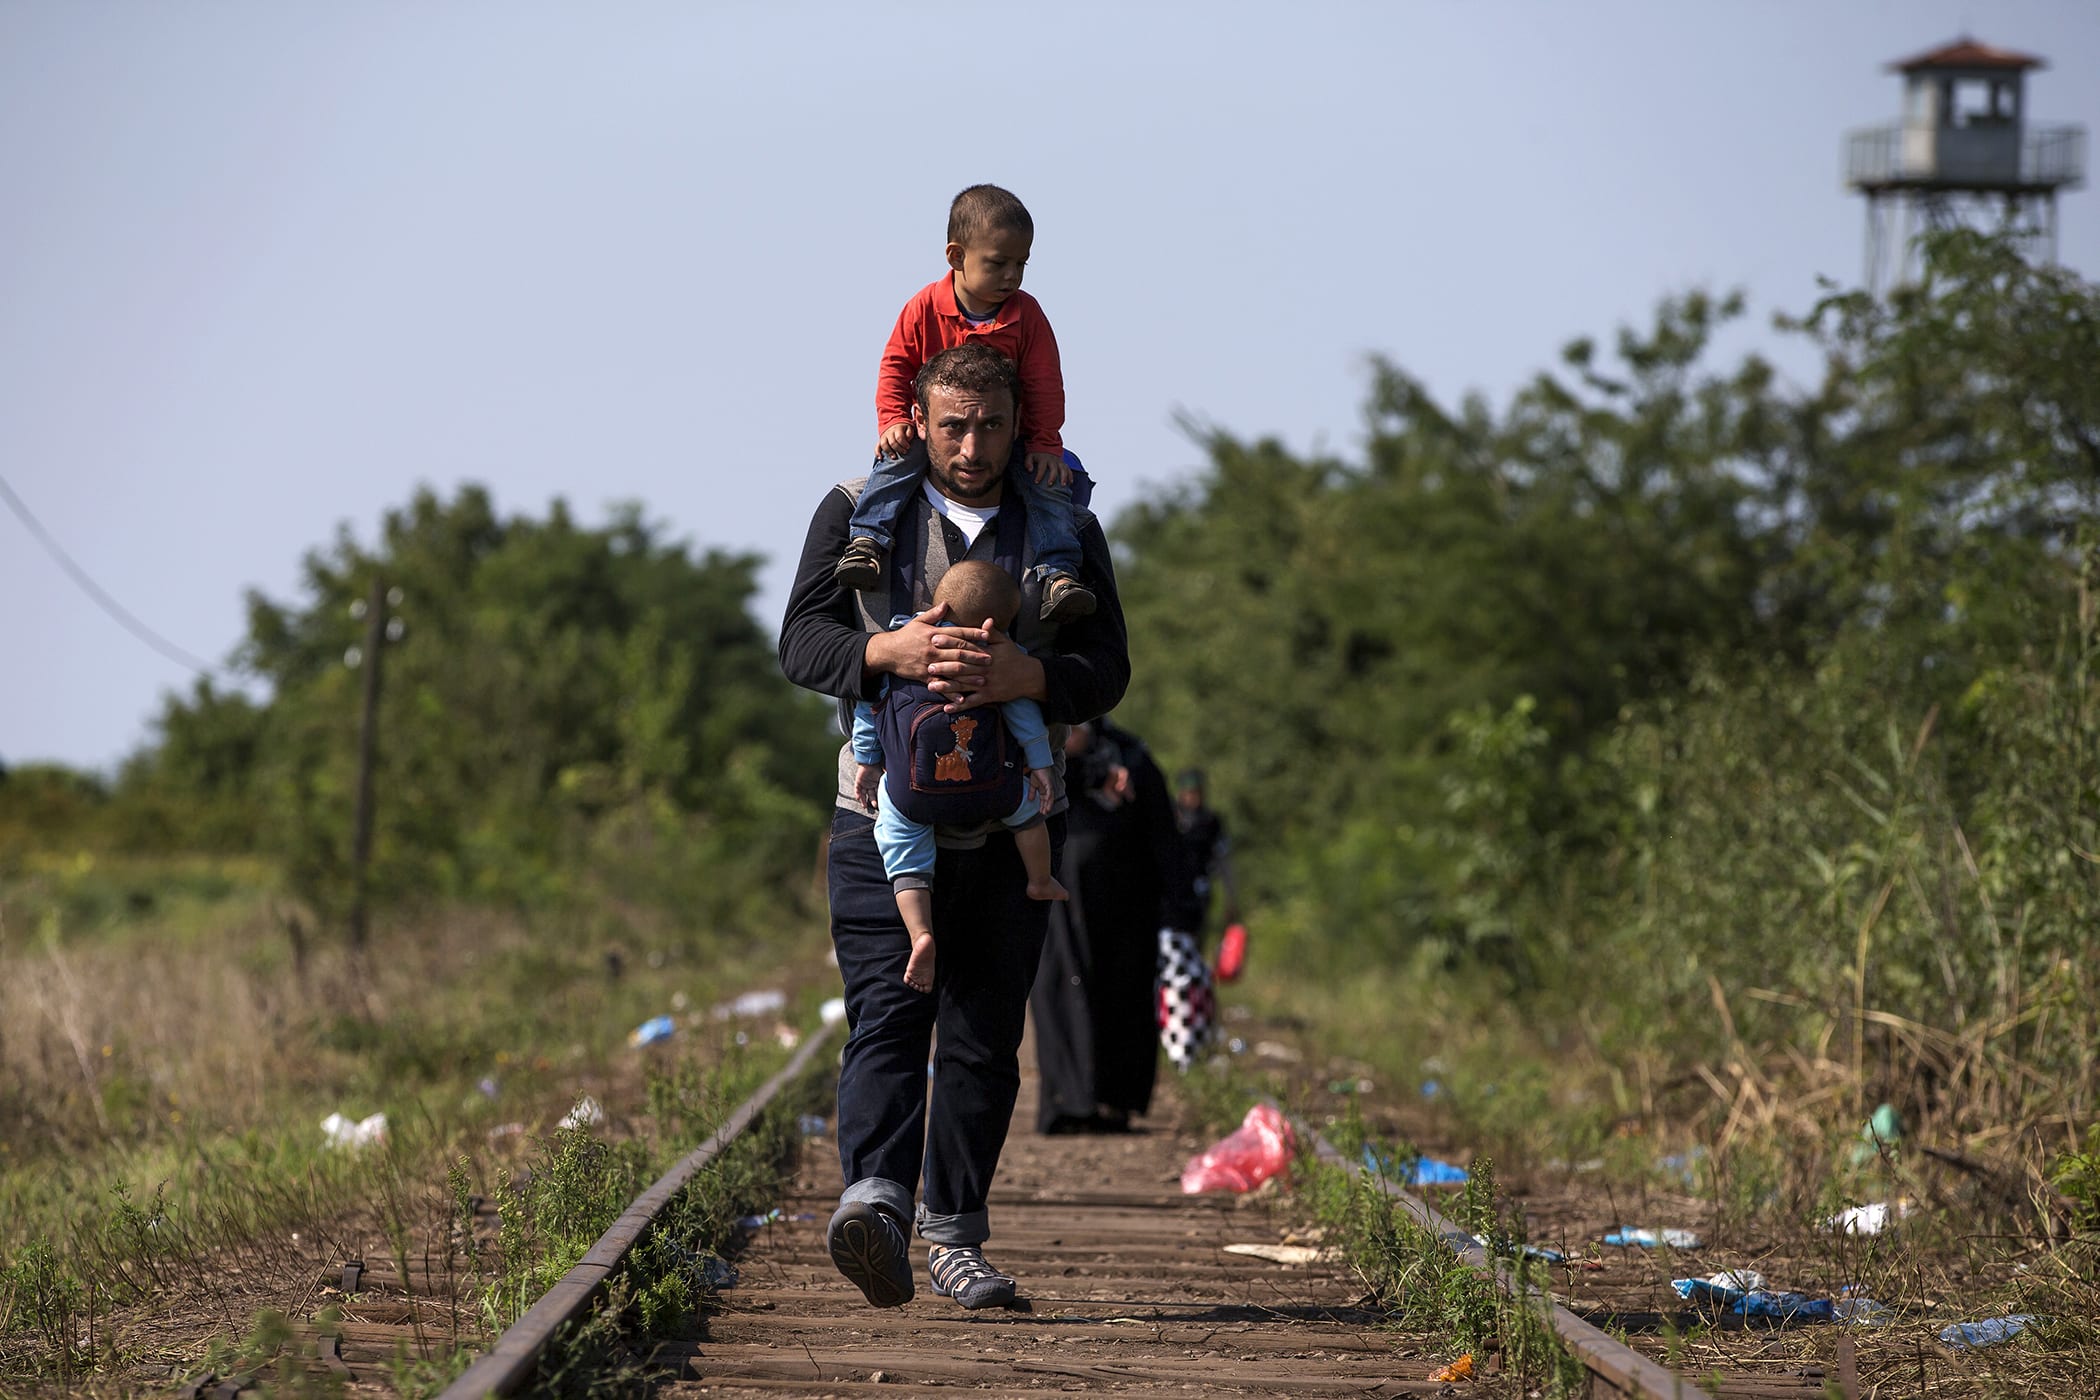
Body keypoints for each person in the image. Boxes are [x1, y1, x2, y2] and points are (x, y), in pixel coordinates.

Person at [780, 343, 1128, 1312]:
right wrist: (887, 647)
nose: (972, 448)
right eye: (953, 427)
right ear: (919, 421)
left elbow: (1110, 664)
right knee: (888, 1018)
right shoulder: (858, 506)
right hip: (883, 821)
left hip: (1016, 829)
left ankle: (955, 1236)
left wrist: (1035, 678)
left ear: (1021, 425)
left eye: (991, 427)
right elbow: (800, 638)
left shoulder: (1064, 522)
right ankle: (877, 1208)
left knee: (981, 1037)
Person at [833, 184, 1095, 624]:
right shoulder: (922, 307)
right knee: (897, 460)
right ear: (956, 257)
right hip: (933, 432)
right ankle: (867, 542)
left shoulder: (1026, 314)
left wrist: (1045, 444)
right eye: (998, 263)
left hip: (1013, 437)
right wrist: (894, 420)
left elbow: (1045, 383)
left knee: (1049, 483)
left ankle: (1058, 574)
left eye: (1021, 264)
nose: (1012, 276)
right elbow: (895, 367)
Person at [850, 560, 1068, 994]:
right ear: (993, 624)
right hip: (993, 792)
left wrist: (867, 762)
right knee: (1029, 813)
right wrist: (1042, 767)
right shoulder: (998, 659)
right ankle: (1040, 879)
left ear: (940, 603)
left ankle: (920, 933)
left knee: (900, 843)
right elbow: (1025, 717)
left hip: (913, 793)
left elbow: (869, 708)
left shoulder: (904, 645)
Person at [1030, 718, 1186, 1134]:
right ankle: (1068, 1103)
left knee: (1124, 994)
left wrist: (1178, 906)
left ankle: (1115, 1100)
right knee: (1060, 992)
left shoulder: (1130, 755)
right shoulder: (1034, 748)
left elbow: (1163, 834)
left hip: (1126, 905)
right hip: (1059, 901)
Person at [1166, 768, 1239, 947]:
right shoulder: (1168, 817)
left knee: (1194, 942)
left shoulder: (1210, 821)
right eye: (1189, 792)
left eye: (1197, 792)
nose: (1193, 797)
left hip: (1199, 891)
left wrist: (1231, 898)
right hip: (1170, 891)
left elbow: (1223, 861)